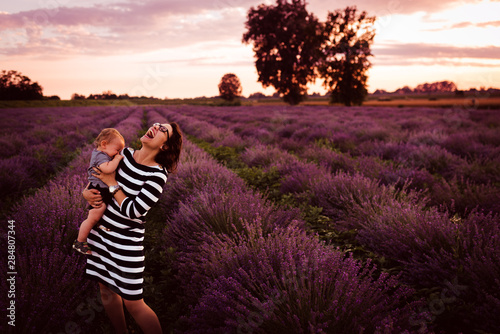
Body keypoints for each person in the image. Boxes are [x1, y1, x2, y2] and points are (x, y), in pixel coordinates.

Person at [82, 122, 182, 334]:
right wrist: (86, 192)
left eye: (162, 129)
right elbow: (96, 175)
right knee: (106, 289)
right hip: (100, 236)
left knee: (134, 303)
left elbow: (133, 211)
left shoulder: (157, 175)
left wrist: (112, 183)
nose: (155, 127)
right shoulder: (123, 154)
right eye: (156, 124)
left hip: (125, 244)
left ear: (165, 146)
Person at [73, 128, 125, 255]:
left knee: (98, 215)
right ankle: (80, 241)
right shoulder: (101, 156)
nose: (117, 153)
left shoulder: (102, 154)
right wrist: (117, 159)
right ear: (104, 144)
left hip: (99, 188)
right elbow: (107, 170)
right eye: (116, 150)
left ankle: (93, 231)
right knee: (93, 217)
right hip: (98, 190)